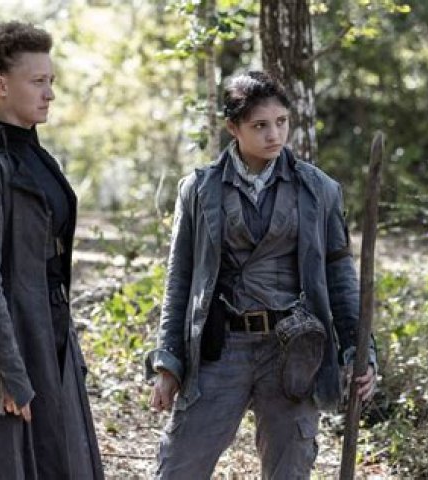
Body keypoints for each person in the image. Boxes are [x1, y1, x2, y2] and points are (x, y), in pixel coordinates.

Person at [146, 71, 378, 479]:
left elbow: (340, 276)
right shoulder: (199, 189)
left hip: (293, 348)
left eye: (281, 122)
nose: (274, 134)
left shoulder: (319, 190)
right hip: (221, 346)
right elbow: (180, 280)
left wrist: (359, 352)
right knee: (179, 466)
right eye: (260, 125)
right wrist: (168, 363)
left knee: (289, 469)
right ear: (232, 127)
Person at [0, 21, 103, 479]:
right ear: (1, 85)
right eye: (38, 81)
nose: (50, 93)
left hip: (50, 335)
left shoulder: (40, 159)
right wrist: (8, 375)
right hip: (6, 342)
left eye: (51, 81)